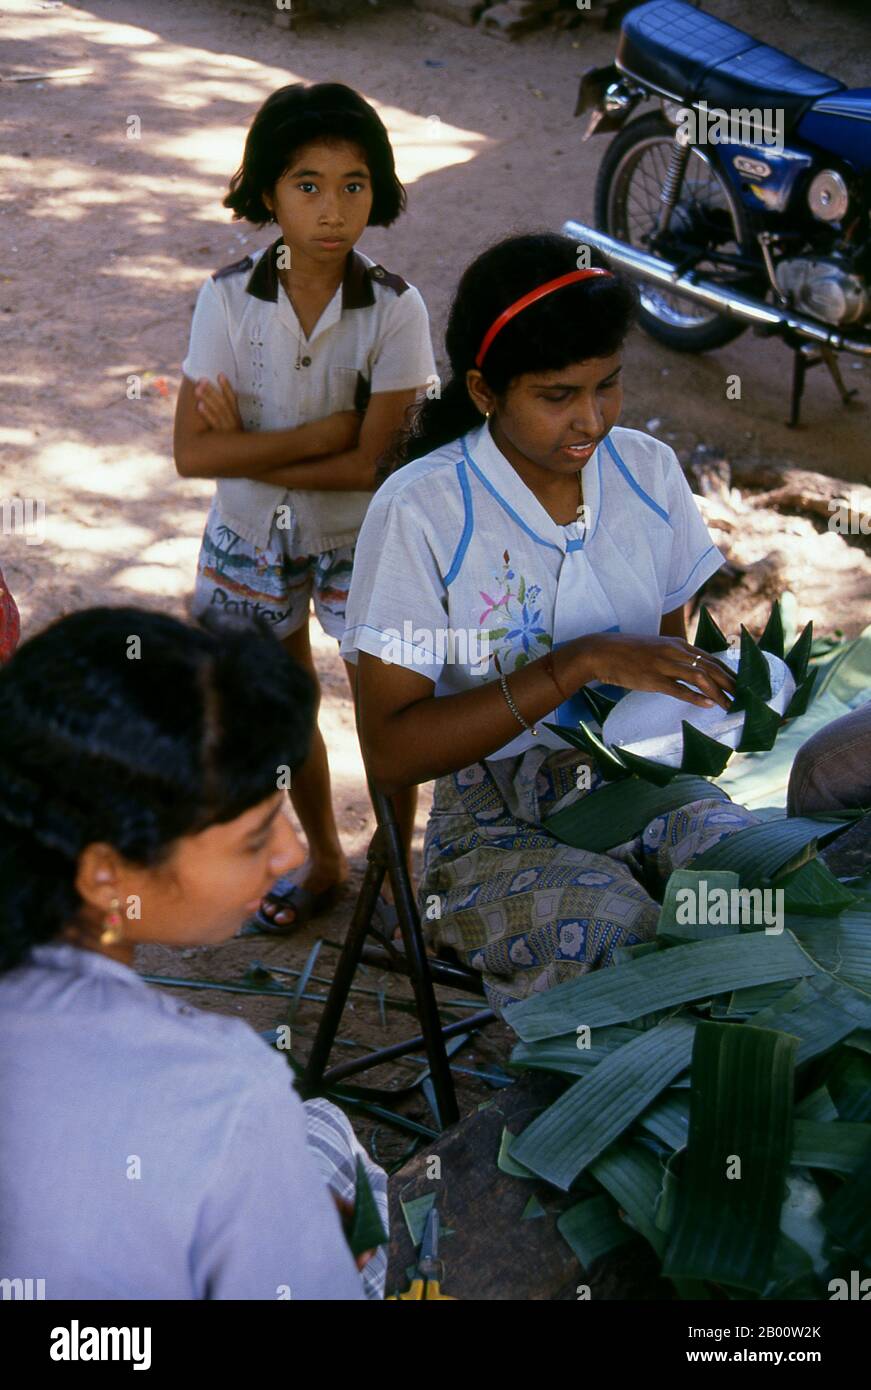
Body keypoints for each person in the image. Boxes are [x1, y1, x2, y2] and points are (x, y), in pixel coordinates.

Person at [340, 233, 761, 1008]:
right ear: (484, 390)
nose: (591, 421)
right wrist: (574, 664)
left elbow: (665, 678)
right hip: (487, 818)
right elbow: (392, 754)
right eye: (556, 395)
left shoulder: (647, 473)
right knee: (615, 935)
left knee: (755, 879)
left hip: (635, 778)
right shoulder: (423, 510)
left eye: (607, 385)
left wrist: (725, 698)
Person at [0, 607, 387, 1300]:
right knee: (328, 1138)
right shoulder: (224, 1091)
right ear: (104, 875)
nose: (293, 853)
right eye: (254, 837)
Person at [173, 82, 436, 932]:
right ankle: (326, 857)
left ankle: (393, 879)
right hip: (251, 538)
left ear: (379, 190)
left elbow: (373, 468)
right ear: (267, 191)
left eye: (354, 184)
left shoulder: (396, 309)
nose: (333, 208)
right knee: (288, 712)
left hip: (364, 540)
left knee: (388, 713)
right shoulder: (224, 299)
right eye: (307, 184)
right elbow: (191, 453)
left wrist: (256, 448)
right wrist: (330, 430)